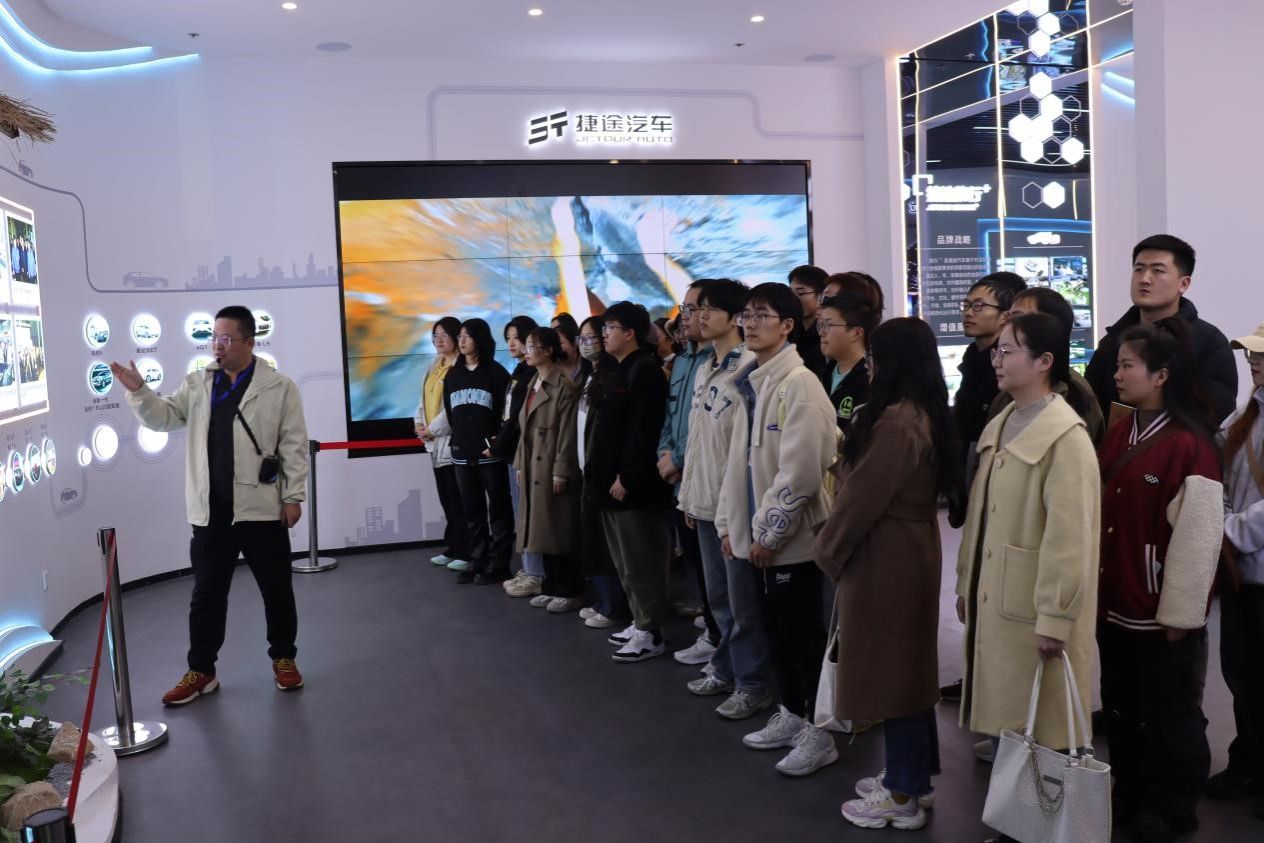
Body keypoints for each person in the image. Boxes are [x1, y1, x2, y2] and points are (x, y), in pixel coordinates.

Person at [110, 305, 309, 704]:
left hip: (261, 508)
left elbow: (293, 443)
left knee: (276, 589)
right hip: (210, 511)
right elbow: (165, 418)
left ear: (249, 342)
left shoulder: (279, 387)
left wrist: (293, 496)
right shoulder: (199, 384)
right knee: (207, 595)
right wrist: (139, 391)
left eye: (226, 338)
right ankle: (202, 670)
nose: (217, 345)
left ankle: (283, 657)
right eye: (213, 337)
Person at [816, 317, 962, 831]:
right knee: (909, 670)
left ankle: (902, 791)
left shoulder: (898, 422)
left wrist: (828, 550)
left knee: (893, 672)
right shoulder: (920, 413)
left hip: (887, 554)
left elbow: (861, 498)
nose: (870, 365)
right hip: (906, 548)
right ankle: (911, 776)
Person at [954, 313, 1101, 782]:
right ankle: (1014, 813)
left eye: (1008, 351)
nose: (997, 360)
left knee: (1039, 734)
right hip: (1001, 599)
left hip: (1033, 610)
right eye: (997, 350)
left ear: (1044, 362)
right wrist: (965, 581)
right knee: (1012, 727)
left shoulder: (1066, 437)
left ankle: (1036, 816)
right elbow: (980, 518)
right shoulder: (1004, 423)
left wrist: (1055, 617)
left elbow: (1070, 539)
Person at [1098, 319, 1224, 841]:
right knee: (1121, 706)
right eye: (1118, 364)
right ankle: (1129, 792)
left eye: (1127, 365)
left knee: (1171, 712)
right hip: (1116, 599)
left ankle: (1173, 805)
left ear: (1162, 375)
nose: (1117, 374)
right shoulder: (1120, 430)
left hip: (1158, 608)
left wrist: (1181, 613)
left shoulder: (1191, 445)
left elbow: (1198, 538)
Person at [716, 282, 839, 777]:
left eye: (761, 315)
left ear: (787, 326)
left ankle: (819, 733)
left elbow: (802, 473)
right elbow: (738, 466)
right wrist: (731, 526)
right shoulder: (753, 380)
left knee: (802, 638)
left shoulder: (800, 384)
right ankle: (792, 712)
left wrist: (768, 534)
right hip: (758, 539)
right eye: (746, 315)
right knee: (777, 636)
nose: (749, 324)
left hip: (793, 543)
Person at [677, 278, 773, 720]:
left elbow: (748, 451)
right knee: (717, 598)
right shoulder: (704, 367)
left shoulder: (749, 368)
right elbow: (698, 439)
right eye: (695, 309)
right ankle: (726, 667)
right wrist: (689, 496)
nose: (697, 317)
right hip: (703, 500)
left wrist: (736, 510)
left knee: (743, 603)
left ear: (735, 317)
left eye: (707, 309)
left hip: (734, 505)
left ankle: (753, 684)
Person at [589, 302, 674, 662]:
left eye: (610, 328)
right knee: (624, 560)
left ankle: (650, 631)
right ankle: (640, 620)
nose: (604, 334)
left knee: (641, 560)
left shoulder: (645, 370)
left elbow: (644, 430)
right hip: (609, 483)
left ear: (630, 333)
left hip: (633, 487)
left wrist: (628, 476)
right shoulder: (617, 369)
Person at [1085, 234, 1237, 424]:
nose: (1145, 279)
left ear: (1183, 284)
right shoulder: (1113, 341)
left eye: (1157, 270)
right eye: (1139, 269)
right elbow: (1090, 405)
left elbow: (1218, 413)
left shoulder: (1208, 342)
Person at [1209, 323, 1264, 822]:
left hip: (1251, 563)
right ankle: (1248, 765)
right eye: (1251, 354)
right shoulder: (1242, 417)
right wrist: (1224, 522)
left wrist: (1229, 530)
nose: (1254, 362)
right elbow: (1221, 483)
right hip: (1243, 575)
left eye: (1261, 355)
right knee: (1242, 675)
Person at [658, 280, 722, 667]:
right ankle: (712, 634)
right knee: (698, 565)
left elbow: (703, 427)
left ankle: (719, 640)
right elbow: (672, 415)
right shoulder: (684, 359)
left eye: (696, 309)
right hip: (679, 479)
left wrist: (678, 458)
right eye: (685, 309)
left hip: (701, 475)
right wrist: (665, 454)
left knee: (715, 572)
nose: (687, 317)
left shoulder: (720, 360)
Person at [514, 328, 585, 614]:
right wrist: (520, 463)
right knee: (542, 530)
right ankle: (551, 586)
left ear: (549, 350)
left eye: (533, 346)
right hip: (534, 463)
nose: (527, 351)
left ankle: (569, 590)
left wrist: (561, 470)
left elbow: (568, 432)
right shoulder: (534, 381)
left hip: (551, 464)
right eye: (527, 346)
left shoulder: (564, 384)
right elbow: (524, 430)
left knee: (558, 528)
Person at [950, 272, 1028, 529]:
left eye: (978, 306)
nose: (968, 313)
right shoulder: (973, 358)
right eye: (966, 305)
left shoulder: (1008, 366)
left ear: (1005, 316)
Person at [443, 319, 515, 585]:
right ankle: (477, 561)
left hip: (489, 453)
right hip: (462, 451)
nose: (461, 341)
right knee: (472, 511)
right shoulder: (453, 375)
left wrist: (496, 441)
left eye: (468, 336)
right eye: (460, 336)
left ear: (481, 340)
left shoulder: (496, 373)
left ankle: (499, 564)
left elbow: (507, 413)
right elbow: (450, 411)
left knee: (498, 509)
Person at [986, 287, 1105, 444]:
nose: (1008, 326)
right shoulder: (1006, 395)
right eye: (1009, 318)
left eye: (1019, 318)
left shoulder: (1075, 397)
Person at [575, 314, 631, 629]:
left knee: (607, 545)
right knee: (593, 541)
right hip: (588, 470)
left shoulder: (611, 377)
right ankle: (604, 600)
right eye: (581, 338)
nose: (586, 343)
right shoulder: (590, 375)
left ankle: (615, 606)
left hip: (604, 472)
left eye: (591, 336)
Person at [415, 317, 469, 572]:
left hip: (451, 441)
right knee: (446, 498)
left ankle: (466, 551)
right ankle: (454, 547)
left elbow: (453, 408)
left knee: (459, 500)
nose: (438, 340)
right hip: (433, 442)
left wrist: (432, 430)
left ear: (457, 337)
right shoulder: (434, 365)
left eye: (444, 335)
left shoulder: (460, 367)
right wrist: (419, 423)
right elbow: (422, 400)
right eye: (435, 335)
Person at [498, 316, 546, 597]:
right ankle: (529, 569)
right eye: (508, 338)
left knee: (529, 515)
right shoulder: (519, 371)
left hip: (525, 454)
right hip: (514, 453)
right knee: (521, 515)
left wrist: (499, 444)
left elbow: (518, 417)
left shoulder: (533, 374)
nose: (512, 343)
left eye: (516, 337)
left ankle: (536, 572)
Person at [818, 292, 880, 434]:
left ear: (856, 333)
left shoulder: (870, 378)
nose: (821, 332)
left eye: (828, 325)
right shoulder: (825, 371)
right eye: (820, 325)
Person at [788, 264, 830, 376]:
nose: (794, 299)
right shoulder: (789, 331)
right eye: (791, 293)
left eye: (801, 293)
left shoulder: (827, 335)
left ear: (821, 296)